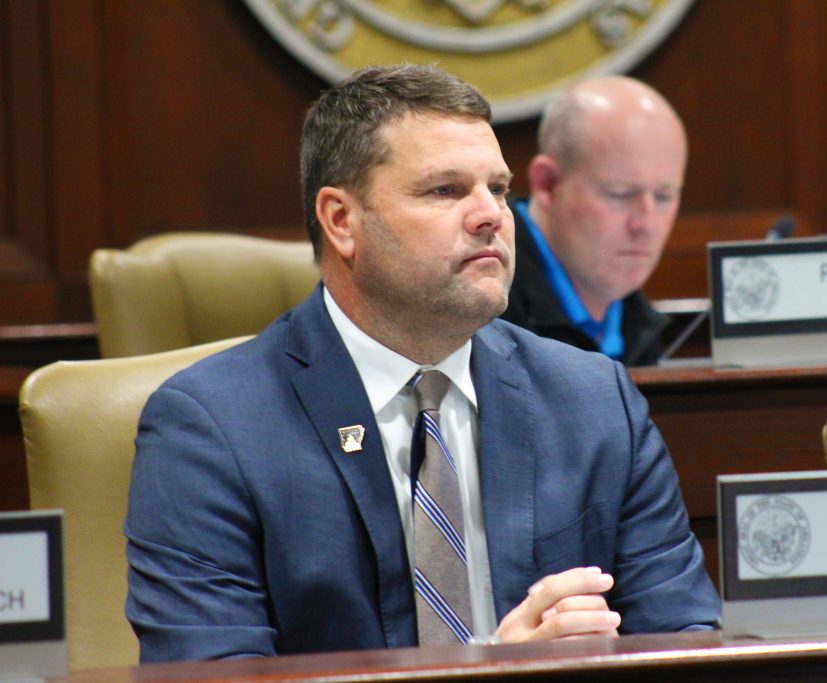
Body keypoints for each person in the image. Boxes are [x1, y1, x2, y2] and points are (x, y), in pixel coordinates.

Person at [124, 63, 719, 662]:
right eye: (446, 190)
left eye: (499, 189)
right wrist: (490, 670)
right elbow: (213, 676)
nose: (491, 215)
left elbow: (689, 644)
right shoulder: (212, 429)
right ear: (341, 220)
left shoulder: (593, 400)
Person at [501, 76, 688, 366]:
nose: (646, 225)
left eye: (664, 197)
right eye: (620, 194)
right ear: (547, 184)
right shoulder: (481, 308)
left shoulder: (638, 322)